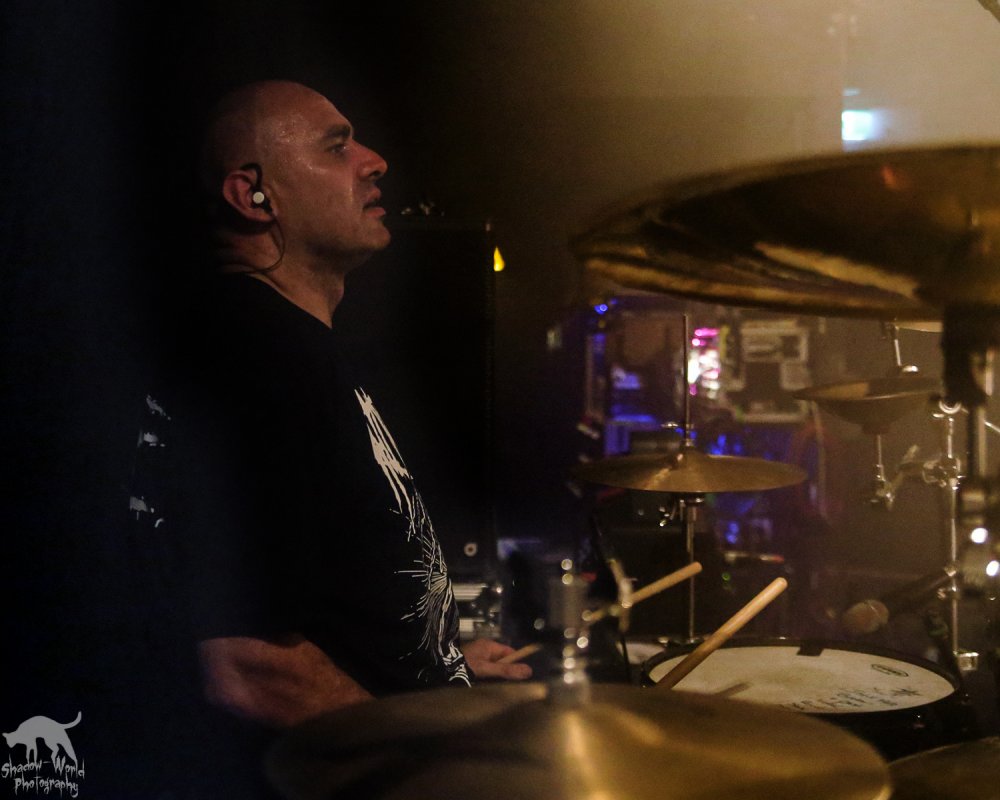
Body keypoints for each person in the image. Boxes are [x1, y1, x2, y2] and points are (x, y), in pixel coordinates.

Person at [129, 79, 529, 795]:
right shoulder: (258, 355)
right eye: (336, 147)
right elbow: (245, 660)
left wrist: (438, 668)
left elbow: (324, 597)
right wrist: (427, 765)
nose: (374, 162)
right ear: (254, 196)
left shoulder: (285, 345)